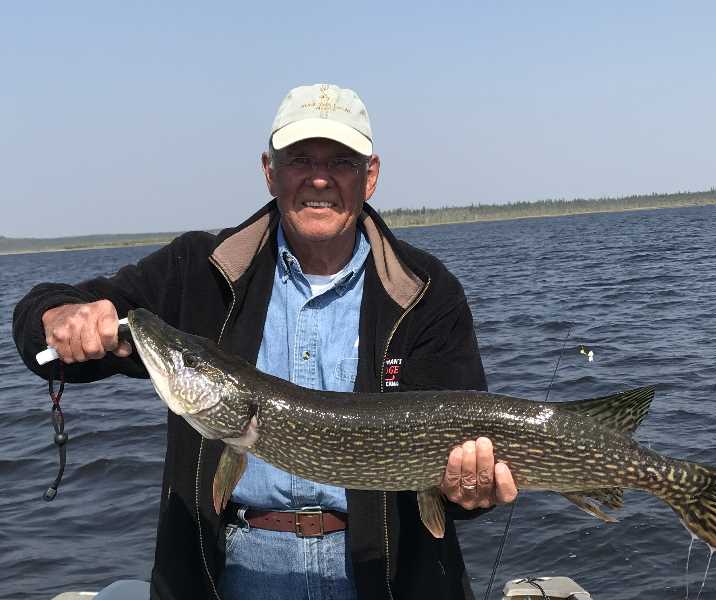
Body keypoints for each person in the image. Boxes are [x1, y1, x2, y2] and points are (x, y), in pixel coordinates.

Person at [13, 83, 517, 600]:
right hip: (233, 571)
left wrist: (467, 493)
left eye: (341, 162)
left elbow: (459, 488)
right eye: (299, 159)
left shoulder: (427, 291)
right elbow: (40, 327)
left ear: (370, 175)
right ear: (269, 171)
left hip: (383, 575)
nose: (318, 178)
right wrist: (61, 317)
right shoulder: (198, 271)